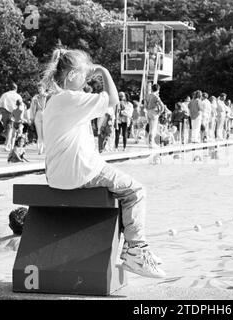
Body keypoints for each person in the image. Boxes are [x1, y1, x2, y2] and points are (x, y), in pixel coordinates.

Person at [41, 48, 164, 278]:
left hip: (57, 174)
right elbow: (113, 100)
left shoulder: (55, 100)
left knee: (117, 180)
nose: (87, 78)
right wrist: (103, 71)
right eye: (84, 74)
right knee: (135, 191)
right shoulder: (71, 98)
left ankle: (133, 248)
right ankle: (136, 251)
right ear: (70, 76)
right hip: (80, 172)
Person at [0, 83, 23, 151]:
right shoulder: (18, 96)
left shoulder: (5, 95)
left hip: (5, 113)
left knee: (8, 129)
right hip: (14, 113)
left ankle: (9, 144)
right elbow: (21, 107)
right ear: (16, 89)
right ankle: (7, 145)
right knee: (11, 130)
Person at [144, 84, 165, 148]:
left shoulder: (147, 96)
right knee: (153, 128)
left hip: (149, 112)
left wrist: (148, 110)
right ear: (158, 90)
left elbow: (145, 105)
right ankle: (151, 143)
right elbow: (162, 105)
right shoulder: (156, 96)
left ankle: (150, 142)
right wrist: (160, 112)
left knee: (150, 128)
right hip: (154, 112)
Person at [30, 86, 48, 154]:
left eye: (41, 88)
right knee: (39, 133)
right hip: (38, 113)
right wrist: (32, 117)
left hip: (46, 113)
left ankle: (44, 147)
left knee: (45, 132)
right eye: (39, 89)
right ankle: (40, 148)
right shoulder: (35, 97)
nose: (39, 90)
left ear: (44, 89)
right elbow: (32, 108)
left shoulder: (47, 96)